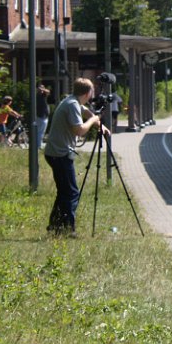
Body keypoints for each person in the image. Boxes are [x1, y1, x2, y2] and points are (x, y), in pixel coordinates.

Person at [43, 77, 108, 237]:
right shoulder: (72, 105)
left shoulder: (71, 101)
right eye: (92, 90)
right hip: (60, 154)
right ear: (88, 92)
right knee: (71, 193)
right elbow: (79, 130)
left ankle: (55, 226)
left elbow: (85, 111)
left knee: (64, 192)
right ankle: (68, 229)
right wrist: (94, 119)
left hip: (56, 152)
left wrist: (100, 125)